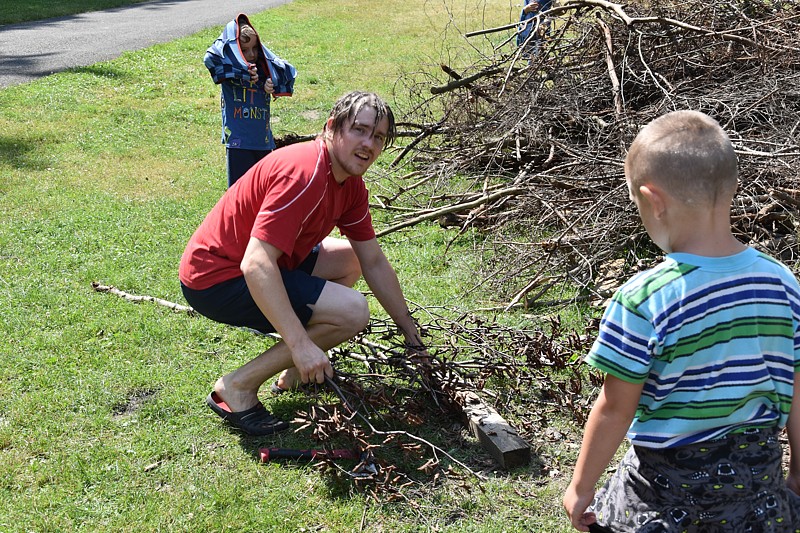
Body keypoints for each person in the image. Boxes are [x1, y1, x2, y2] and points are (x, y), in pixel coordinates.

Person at [562, 110, 800, 532]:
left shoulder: (644, 299)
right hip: (758, 495)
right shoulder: (782, 284)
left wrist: (581, 486)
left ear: (653, 201)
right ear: (730, 187)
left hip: (668, 495)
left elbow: (616, 408)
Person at [180, 91, 427, 436]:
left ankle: (293, 373)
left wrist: (411, 335)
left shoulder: (350, 184)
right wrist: (300, 344)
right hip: (216, 279)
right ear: (331, 128)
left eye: (379, 136)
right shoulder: (304, 173)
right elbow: (256, 263)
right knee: (353, 312)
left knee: (350, 258)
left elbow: (372, 260)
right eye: (359, 129)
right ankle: (236, 386)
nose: (368, 143)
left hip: (260, 265)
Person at [204, 13, 297, 188]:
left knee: (262, 190)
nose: (252, 54)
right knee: (239, 192)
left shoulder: (263, 69)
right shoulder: (228, 71)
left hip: (263, 142)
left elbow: (283, 72)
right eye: (244, 50)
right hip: (238, 143)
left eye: (255, 48)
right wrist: (243, 71)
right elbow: (210, 58)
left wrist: (270, 84)